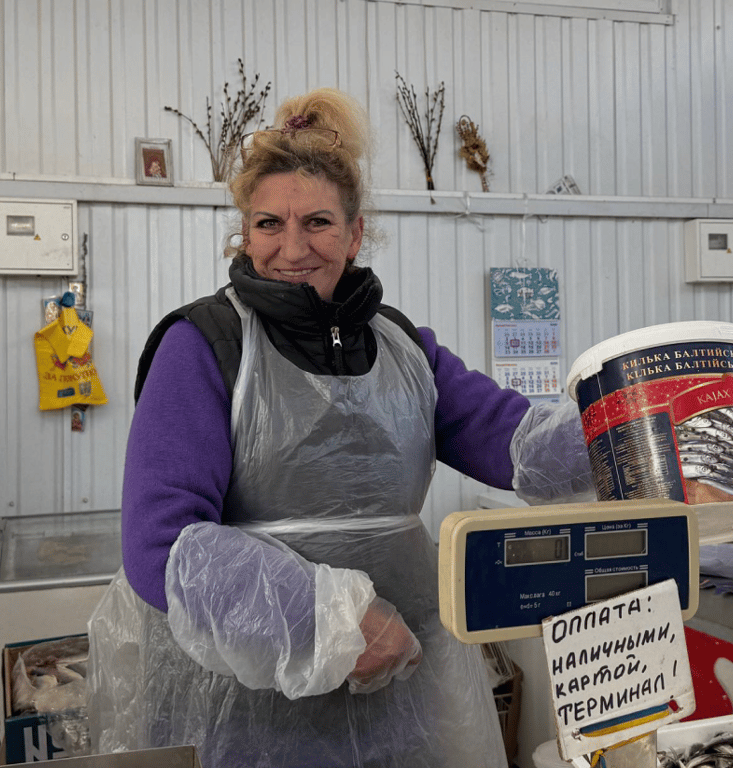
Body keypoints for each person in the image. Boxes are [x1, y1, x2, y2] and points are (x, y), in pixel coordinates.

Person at [89, 87, 594, 768]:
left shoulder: (402, 347)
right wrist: (327, 621)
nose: (291, 248)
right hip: (252, 724)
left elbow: (517, 443)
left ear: (356, 234)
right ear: (245, 231)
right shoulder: (203, 345)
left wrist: (635, 422)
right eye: (268, 223)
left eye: (317, 223)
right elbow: (161, 546)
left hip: (404, 706)